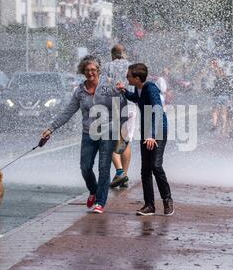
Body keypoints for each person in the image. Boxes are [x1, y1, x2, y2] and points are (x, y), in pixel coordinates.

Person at [41, 55, 124, 214]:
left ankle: (100, 202)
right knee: (85, 167)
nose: (90, 73)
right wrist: (51, 128)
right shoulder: (80, 91)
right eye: (87, 70)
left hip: (108, 132)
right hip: (89, 134)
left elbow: (121, 104)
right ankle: (93, 191)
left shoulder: (108, 85)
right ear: (83, 72)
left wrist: (120, 93)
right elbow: (68, 112)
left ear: (98, 70)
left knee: (103, 167)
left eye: (93, 70)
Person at [117, 63, 174, 216]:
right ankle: (149, 205)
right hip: (147, 132)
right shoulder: (138, 88)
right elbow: (136, 98)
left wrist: (152, 135)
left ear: (136, 78)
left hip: (158, 131)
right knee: (145, 169)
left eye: (128, 76)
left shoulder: (150, 88)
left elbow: (157, 109)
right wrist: (124, 91)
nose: (126, 77)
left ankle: (167, 200)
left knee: (156, 166)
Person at [103, 44, 136, 190]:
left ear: (112, 54)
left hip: (114, 105)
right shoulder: (132, 66)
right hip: (130, 106)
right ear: (124, 54)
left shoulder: (108, 66)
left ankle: (120, 172)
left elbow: (103, 86)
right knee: (125, 141)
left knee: (111, 139)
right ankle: (124, 176)